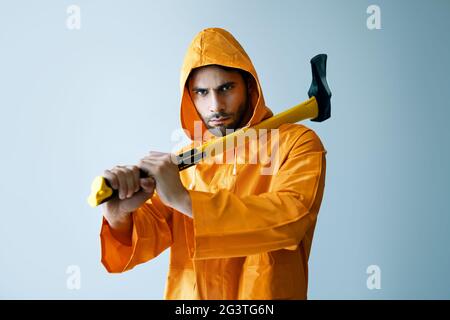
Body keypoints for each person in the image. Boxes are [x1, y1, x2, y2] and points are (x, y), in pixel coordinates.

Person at [99, 27, 327, 300]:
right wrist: (118, 214)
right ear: (190, 97)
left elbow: (289, 221)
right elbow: (144, 237)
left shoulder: (297, 143)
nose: (215, 105)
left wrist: (186, 200)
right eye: (202, 92)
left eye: (226, 88)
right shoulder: (184, 162)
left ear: (250, 87)